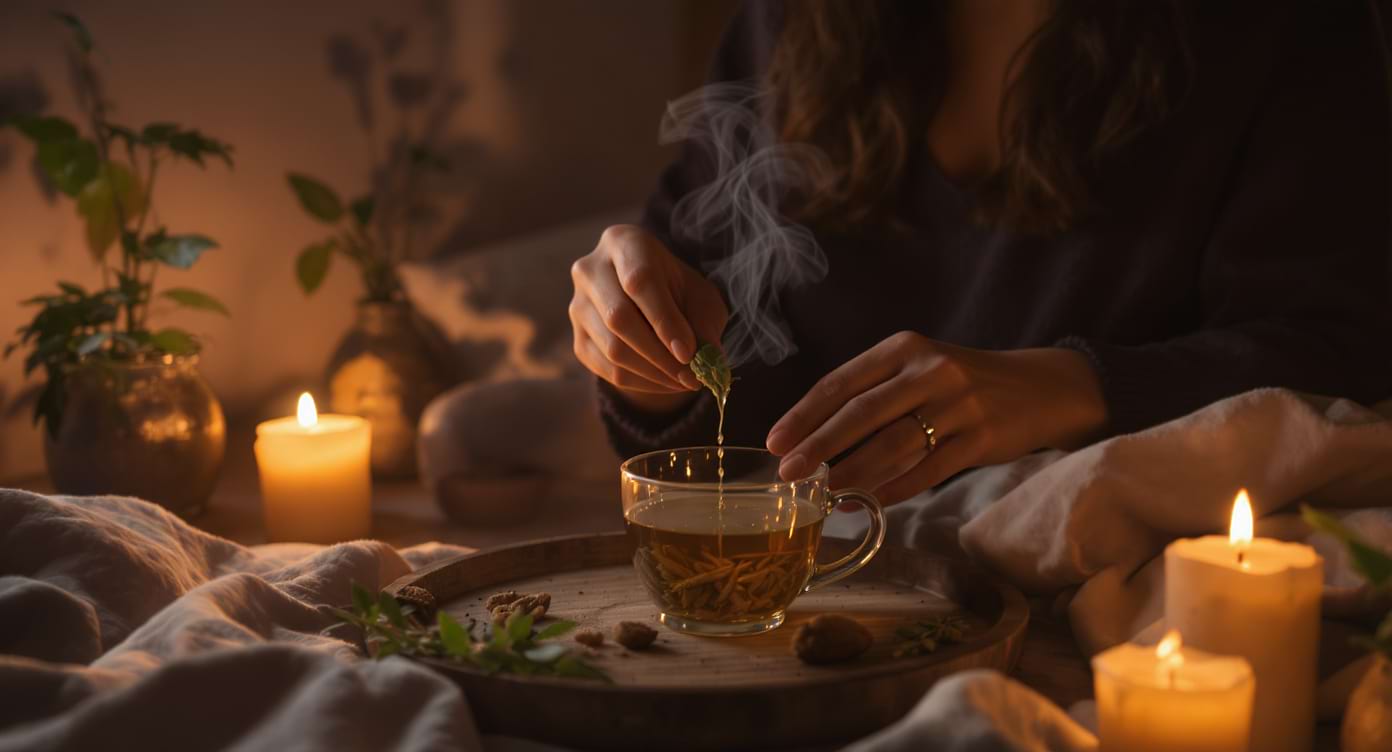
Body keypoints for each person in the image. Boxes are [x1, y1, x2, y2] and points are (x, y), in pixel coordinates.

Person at [569, 0, 1392, 504]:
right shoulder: (799, 18)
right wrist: (640, 349)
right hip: (833, 597)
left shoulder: (1272, 30)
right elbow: (729, 412)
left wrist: (1072, 388)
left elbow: (1342, 353)